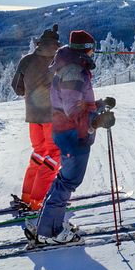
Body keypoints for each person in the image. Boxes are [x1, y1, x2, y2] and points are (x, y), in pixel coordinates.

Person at [25, 30, 117, 246]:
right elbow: (73, 110)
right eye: (92, 47)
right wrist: (97, 121)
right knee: (68, 182)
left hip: (68, 132)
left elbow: (77, 102)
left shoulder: (72, 68)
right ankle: (49, 231)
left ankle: (48, 223)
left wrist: (100, 104)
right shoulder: (74, 71)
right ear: (85, 49)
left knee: (64, 181)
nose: (94, 51)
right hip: (73, 135)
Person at [11, 25, 61, 211]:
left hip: (33, 117)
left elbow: (17, 88)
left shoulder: (26, 61)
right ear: (56, 45)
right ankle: (38, 201)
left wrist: (31, 91)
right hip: (53, 118)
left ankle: (27, 195)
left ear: (40, 43)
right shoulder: (59, 62)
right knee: (53, 156)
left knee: (39, 153)